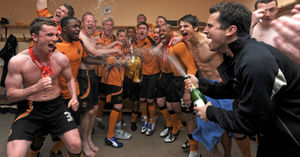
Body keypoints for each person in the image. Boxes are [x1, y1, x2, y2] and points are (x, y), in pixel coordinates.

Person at [186, 2, 300, 156]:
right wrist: (201, 84)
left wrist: (210, 112)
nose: (205, 31)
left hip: (289, 136)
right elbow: (236, 87)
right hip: (273, 130)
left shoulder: (254, 61)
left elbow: (251, 121)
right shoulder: (240, 54)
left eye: (210, 26)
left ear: (230, 30)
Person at [5, 17, 82, 157]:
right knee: (14, 154)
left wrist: (74, 97)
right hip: (30, 107)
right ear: (34, 36)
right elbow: (10, 95)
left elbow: (71, 78)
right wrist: (35, 88)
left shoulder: (60, 58)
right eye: (49, 35)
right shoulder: (18, 61)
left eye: (56, 35)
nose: (55, 39)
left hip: (56, 106)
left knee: (76, 144)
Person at [178, 14, 235, 157]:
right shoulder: (186, 42)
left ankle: (227, 154)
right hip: (203, 86)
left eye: (185, 26)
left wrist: (232, 85)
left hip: (220, 86)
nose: (182, 29)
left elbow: (232, 57)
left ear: (195, 27)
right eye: (180, 27)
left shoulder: (210, 41)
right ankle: (216, 154)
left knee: (225, 126)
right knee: (205, 124)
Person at [155, 24, 183, 143]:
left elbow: (188, 39)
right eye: (160, 31)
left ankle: (176, 128)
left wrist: (180, 38)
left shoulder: (176, 41)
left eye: (163, 31)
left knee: (171, 104)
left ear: (170, 31)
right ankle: (169, 124)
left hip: (173, 76)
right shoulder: (163, 42)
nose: (161, 33)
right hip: (163, 76)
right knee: (160, 101)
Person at [136, 22, 160, 136]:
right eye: (140, 28)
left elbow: (169, 35)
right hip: (144, 74)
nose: (141, 30)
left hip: (154, 74)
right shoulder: (138, 43)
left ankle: (152, 120)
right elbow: (139, 60)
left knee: (150, 99)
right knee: (141, 98)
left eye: (144, 29)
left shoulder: (151, 37)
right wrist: (139, 75)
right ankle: (145, 119)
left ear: (148, 30)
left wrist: (158, 47)